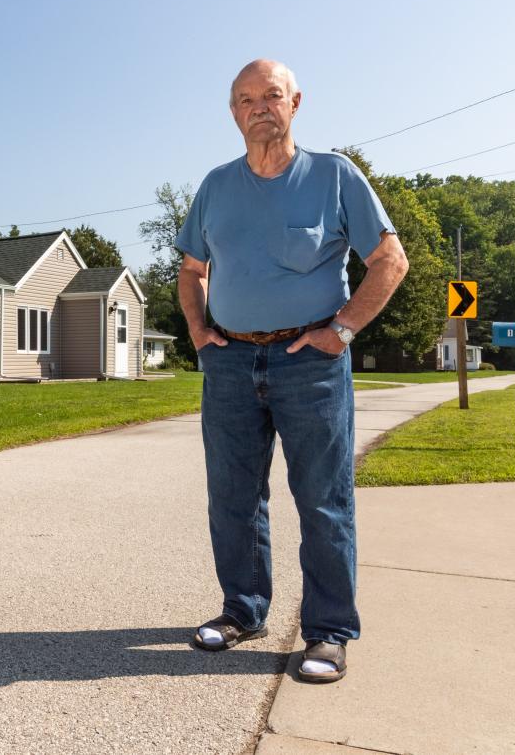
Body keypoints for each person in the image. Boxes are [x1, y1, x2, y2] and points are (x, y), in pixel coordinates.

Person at [174, 59, 409, 683]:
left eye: (271, 95)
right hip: (229, 361)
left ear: (295, 103)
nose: (259, 107)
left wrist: (341, 331)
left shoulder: (334, 176)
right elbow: (191, 270)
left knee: (323, 500)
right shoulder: (216, 187)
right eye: (245, 98)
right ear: (233, 112)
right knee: (232, 495)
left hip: (311, 366)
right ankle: (242, 612)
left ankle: (329, 633)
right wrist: (200, 333)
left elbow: (389, 260)